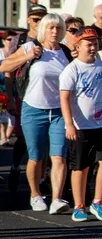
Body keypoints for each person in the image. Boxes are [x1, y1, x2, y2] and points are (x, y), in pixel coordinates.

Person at [0, 12, 71, 213]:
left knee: (58, 156)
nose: (55, 31)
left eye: (58, 28)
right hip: (33, 109)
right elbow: (5, 65)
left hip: (58, 111)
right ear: (43, 30)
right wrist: (27, 56)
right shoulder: (31, 47)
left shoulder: (65, 52)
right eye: (50, 27)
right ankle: (35, 194)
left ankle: (57, 199)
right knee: (36, 156)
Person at [59, 28, 102, 222]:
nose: (93, 48)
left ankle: (98, 202)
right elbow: (64, 98)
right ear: (78, 46)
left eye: (95, 44)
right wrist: (69, 124)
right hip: (80, 125)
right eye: (88, 44)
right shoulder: (72, 69)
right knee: (81, 168)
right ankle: (79, 205)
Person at [3, 4, 48, 193]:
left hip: (46, 95)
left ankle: (43, 176)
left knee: (45, 139)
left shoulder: (49, 39)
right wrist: (11, 99)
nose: (38, 22)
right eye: (35, 19)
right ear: (29, 19)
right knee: (23, 139)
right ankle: (15, 167)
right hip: (24, 94)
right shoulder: (19, 40)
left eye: (42, 19)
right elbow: (8, 69)